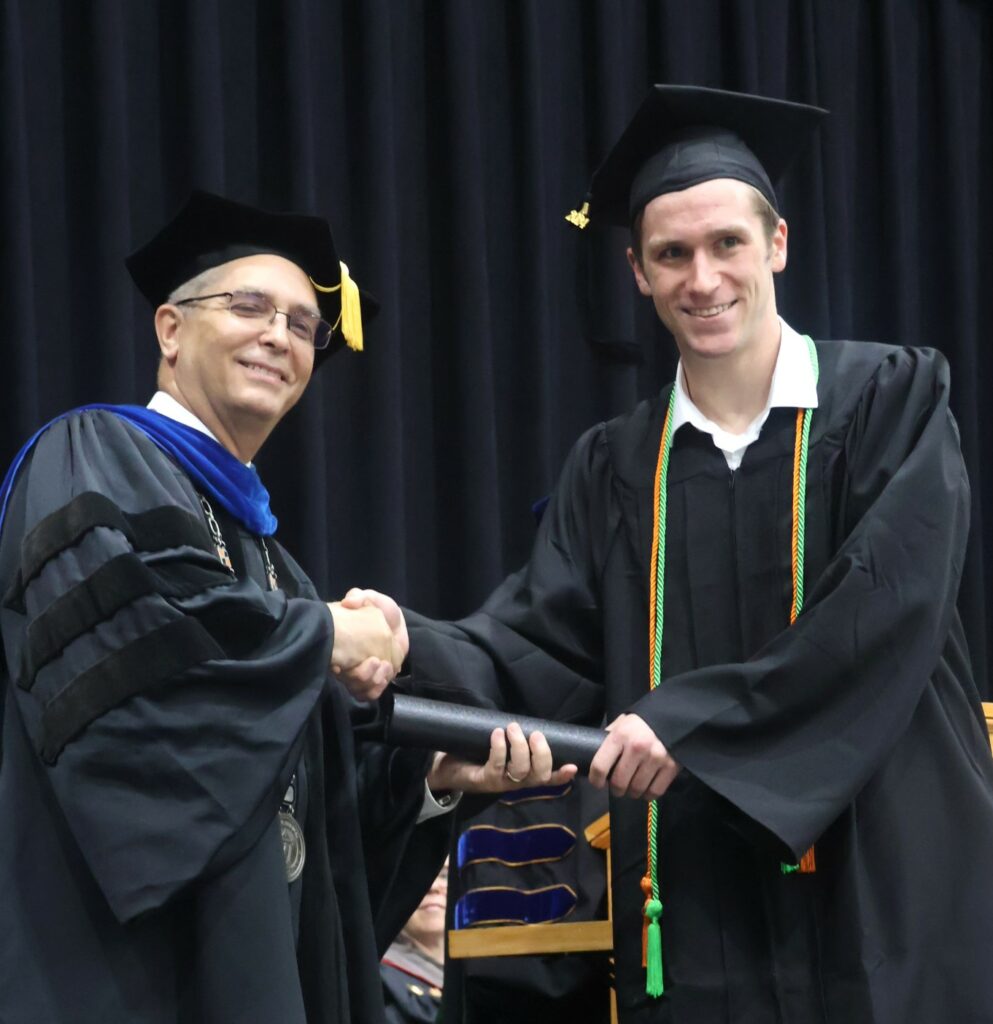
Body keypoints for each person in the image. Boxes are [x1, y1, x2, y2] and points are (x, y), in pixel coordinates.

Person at [345, 86, 993, 1023]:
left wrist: (686, 723)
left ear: (776, 244)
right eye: (671, 254)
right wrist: (407, 642)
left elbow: (882, 608)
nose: (702, 277)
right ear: (637, 272)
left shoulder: (888, 400)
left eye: (726, 243)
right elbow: (540, 646)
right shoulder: (615, 466)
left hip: (885, 869)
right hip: (699, 896)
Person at [0, 191, 572, 1024]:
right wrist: (332, 632)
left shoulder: (275, 564)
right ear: (169, 329)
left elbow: (298, 805)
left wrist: (424, 784)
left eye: (304, 325)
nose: (279, 336)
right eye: (248, 306)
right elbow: (145, 672)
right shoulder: (91, 453)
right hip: (118, 973)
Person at [381, 860, 448, 1023]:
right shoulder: (378, 982)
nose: (433, 886)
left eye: (445, 876)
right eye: (417, 875)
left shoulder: (485, 972)